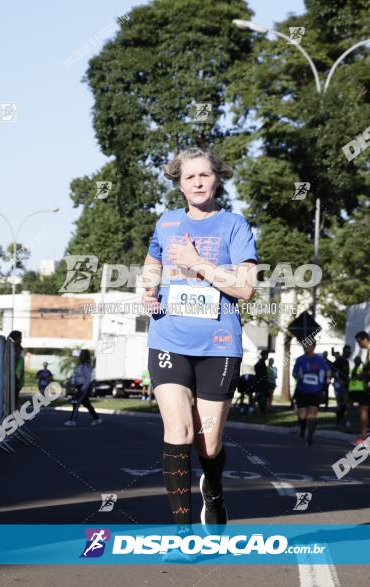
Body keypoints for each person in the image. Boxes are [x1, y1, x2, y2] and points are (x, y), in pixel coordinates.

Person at [140, 147, 258, 544]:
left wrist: (197, 262)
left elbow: (245, 289)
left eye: (204, 176)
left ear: (216, 179)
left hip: (219, 344)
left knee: (208, 442)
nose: (197, 183)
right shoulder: (166, 223)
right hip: (169, 337)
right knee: (179, 428)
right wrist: (148, 285)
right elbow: (151, 260)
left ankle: (214, 488)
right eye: (189, 178)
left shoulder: (234, 225)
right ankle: (184, 534)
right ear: (179, 184)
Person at [291, 338, 332, 446]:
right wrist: (297, 376)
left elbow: (328, 370)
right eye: (304, 345)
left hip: (315, 390)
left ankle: (310, 436)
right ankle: (303, 426)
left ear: (313, 346)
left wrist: (328, 378)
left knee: (312, 414)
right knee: (302, 416)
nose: (306, 347)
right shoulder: (300, 359)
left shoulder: (320, 360)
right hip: (301, 390)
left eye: (308, 345)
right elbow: (294, 373)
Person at [65, 350, 102, 426]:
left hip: (84, 387)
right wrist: (70, 381)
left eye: (82, 355)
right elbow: (75, 375)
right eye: (80, 355)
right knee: (86, 404)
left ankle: (72, 420)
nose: (80, 356)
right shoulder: (80, 365)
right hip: (79, 387)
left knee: (76, 403)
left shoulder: (86, 366)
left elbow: (88, 379)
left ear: (86, 356)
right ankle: (97, 418)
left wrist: (82, 389)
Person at [331, 346, 351, 426]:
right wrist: (338, 379)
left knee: (345, 402)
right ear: (344, 351)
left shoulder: (346, 361)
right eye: (347, 352)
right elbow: (333, 370)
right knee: (340, 403)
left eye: (349, 352)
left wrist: (347, 380)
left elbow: (346, 373)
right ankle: (339, 420)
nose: (349, 353)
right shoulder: (339, 360)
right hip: (338, 385)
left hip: (345, 384)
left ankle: (341, 418)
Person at [8, 330, 25, 410]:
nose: (21, 340)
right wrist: (17, 379)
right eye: (20, 338)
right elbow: (19, 368)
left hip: (14, 379)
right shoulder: (15, 350)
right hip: (14, 379)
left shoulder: (11, 348)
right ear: (15, 339)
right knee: (13, 398)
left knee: (13, 398)